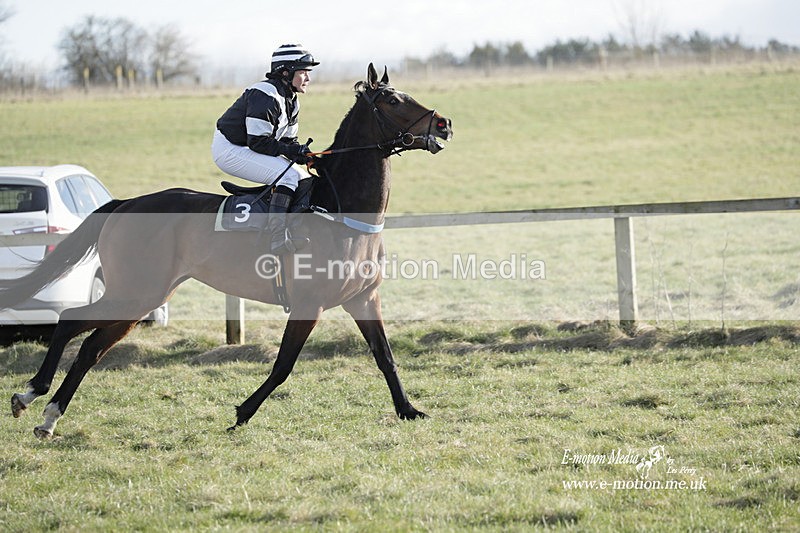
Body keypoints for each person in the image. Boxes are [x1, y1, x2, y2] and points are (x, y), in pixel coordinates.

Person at [212, 44, 319, 253]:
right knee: (287, 177)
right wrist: (294, 152)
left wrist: (308, 156)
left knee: (305, 178)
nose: (308, 78)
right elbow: (258, 143)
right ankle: (277, 237)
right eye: (304, 72)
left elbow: (288, 143)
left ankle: (293, 227)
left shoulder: (291, 99)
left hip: (250, 147)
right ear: (286, 72)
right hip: (230, 149)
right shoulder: (265, 95)